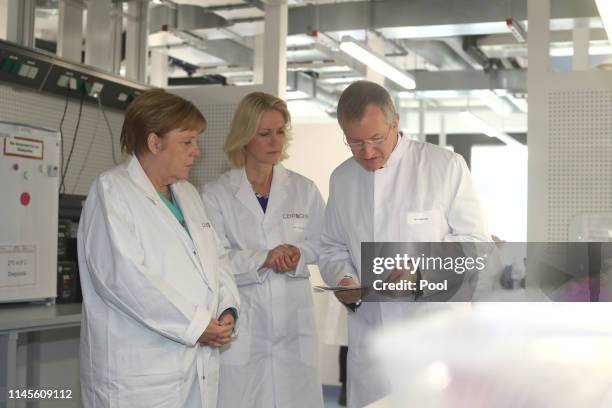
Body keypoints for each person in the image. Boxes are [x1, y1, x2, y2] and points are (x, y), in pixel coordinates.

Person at [319, 81, 490, 407]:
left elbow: (475, 244)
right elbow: (332, 246)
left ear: (395, 122)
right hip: (372, 345)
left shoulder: (443, 167)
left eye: (376, 139)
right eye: (354, 142)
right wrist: (343, 279)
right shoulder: (342, 179)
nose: (366, 152)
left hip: (435, 344)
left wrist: (420, 273)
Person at [77, 90, 240, 408]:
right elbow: (124, 277)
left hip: (195, 363)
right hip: (140, 372)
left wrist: (226, 309)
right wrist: (196, 325)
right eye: (188, 141)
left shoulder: (189, 194)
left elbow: (217, 259)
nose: (196, 151)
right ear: (154, 143)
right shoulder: (112, 190)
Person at [201, 92, 325, 408]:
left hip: (294, 329)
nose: (276, 141)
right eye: (265, 133)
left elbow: (324, 245)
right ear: (244, 137)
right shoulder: (216, 194)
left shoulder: (304, 189)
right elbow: (212, 258)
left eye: (281, 131)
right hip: (245, 327)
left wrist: (297, 255)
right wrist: (262, 258)